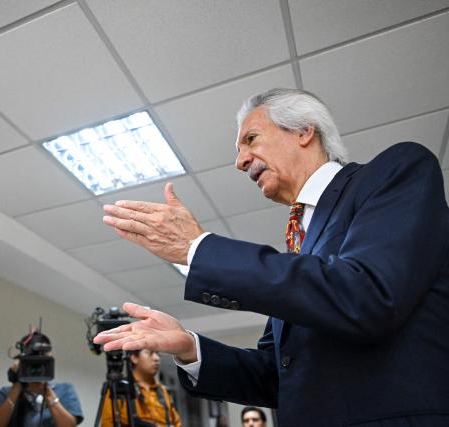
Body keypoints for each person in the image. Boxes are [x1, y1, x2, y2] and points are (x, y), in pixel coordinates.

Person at [95, 88, 449, 426]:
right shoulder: (299, 248)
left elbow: (368, 294)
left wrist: (198, 247)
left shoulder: (396, 171)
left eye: (250, 139)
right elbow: (275, 375)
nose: (240, 161)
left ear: (304, 131)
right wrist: (190, 347)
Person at [0, 331, 83, 427]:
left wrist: (48, 394)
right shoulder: (6, 392)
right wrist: (16, 388)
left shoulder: (65, 390)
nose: (35, 368)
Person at [100, 349, 181, 427]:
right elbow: (107, 423)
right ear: (134, 358)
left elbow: (177, 423)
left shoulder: (163, 391)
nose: (156, 358)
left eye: (157, 353)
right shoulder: (119, 390)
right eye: (150, 353)